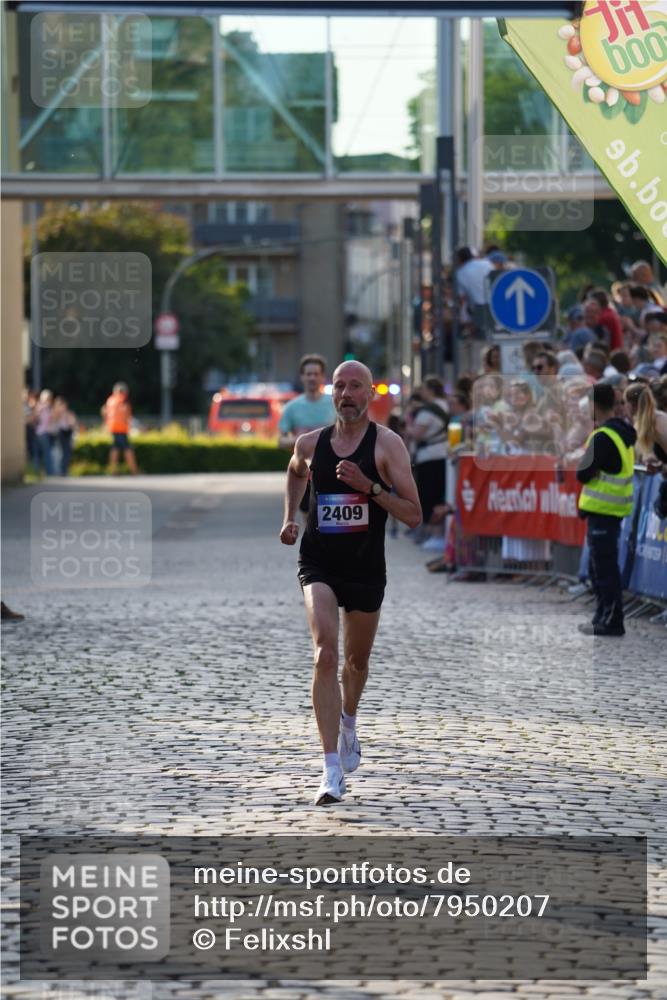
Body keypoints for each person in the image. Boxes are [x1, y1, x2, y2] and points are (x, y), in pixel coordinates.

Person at [279, 361, 421, 805]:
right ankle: (330, 769)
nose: (346, 393)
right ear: (331, 394)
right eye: (339, 386)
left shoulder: (388, 446)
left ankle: (348, 721)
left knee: (355, 665)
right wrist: (289, 518)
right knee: (325, 653)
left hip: (365, 568)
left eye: (355, 386)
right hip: (318, 561)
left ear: (370, 394)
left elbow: (414, 514)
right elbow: (295, 470)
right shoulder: (310, 442)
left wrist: (370, 488)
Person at [576, 382, 636, 637]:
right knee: (599, 567)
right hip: (610, 510)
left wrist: (588, 468)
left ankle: (611, 619)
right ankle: (602, 616)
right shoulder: (621, 432)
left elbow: (582, 473)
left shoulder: (602, 436)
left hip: (604, 510)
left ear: (594, 405)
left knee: (604, 569)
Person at [279, 355, 336, 521]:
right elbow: (281, 440)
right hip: (304, 473)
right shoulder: (291, 407)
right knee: (309, 521)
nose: (312, 377)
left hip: (334, 471)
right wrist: (299, 440)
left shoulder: (335, 404)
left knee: (332, 521)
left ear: (322, 377)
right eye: (308, 374)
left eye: (316, 374)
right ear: (302, 377)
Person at [102, 382, 138, 474]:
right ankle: (134, 470)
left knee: (115, 449)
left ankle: (113, 470)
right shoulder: (122, 400)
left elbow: (104, 411)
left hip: (112, 428)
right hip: (121, 429)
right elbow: (127, 415)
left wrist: (107, 423)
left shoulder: (110, 400)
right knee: (127, 449)